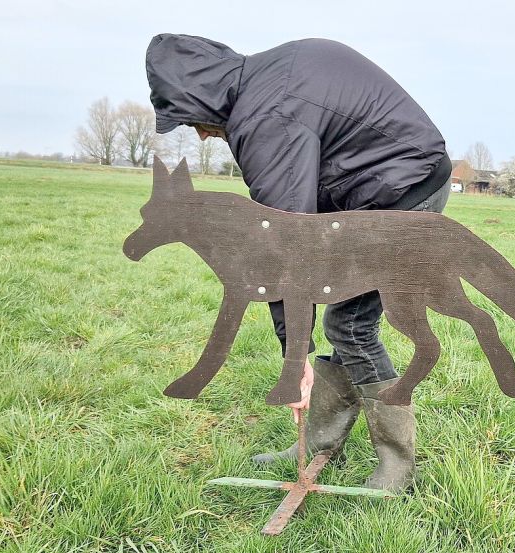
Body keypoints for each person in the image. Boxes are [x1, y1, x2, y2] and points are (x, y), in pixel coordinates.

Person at [145, 34, 451, 492]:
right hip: (388, 188)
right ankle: (323, 440)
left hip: (402, 196)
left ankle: (397, 466)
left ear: (204, 101)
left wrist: (296, 358)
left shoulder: (265, 118)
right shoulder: (270, 75)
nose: (202, 134)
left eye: (192, 122)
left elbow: (283, 245)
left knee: (351, 325)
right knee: (342, 318)